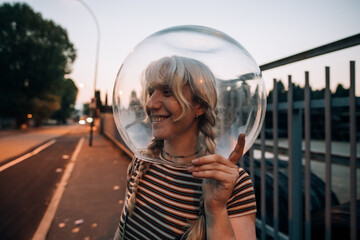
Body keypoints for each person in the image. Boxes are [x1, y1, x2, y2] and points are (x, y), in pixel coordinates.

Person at [114, 56, 257, 240]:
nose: (150, 104)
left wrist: (216, 209)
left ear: (199, 106)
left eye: (167, 92)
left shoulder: (231, 184)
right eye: (151, 92)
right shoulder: (141, 164)